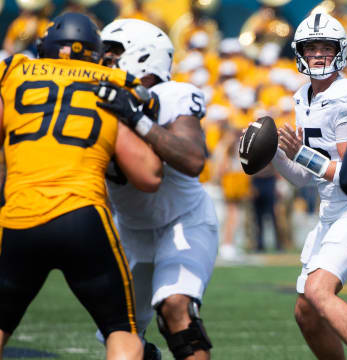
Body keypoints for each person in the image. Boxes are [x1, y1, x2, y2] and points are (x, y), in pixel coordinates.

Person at [0, 12, 164, 360]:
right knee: (121, 331)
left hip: (18, 217)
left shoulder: (13, 71)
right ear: (95, 50)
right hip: (83, 217)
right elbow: (149, 177)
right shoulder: (113, 81)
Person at [95, 18, 219, 360]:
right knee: (121, 336)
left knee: (176, 308)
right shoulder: (94, 98)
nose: (102, 60)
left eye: (112, 53)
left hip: (183, 221)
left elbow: (194, 159)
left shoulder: (172, 95)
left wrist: (137, 118)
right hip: (129, 231)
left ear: (143, 56)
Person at [267, 12, 347, 359]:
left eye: (326, 47)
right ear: (300, 53)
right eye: (311, 48)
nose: (318, 54)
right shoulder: (301, 97)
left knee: (320, 292)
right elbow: (305, 177)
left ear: (340, 51)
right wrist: (275, 154)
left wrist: (302, 154)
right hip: (331, 210)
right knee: (306, 311)